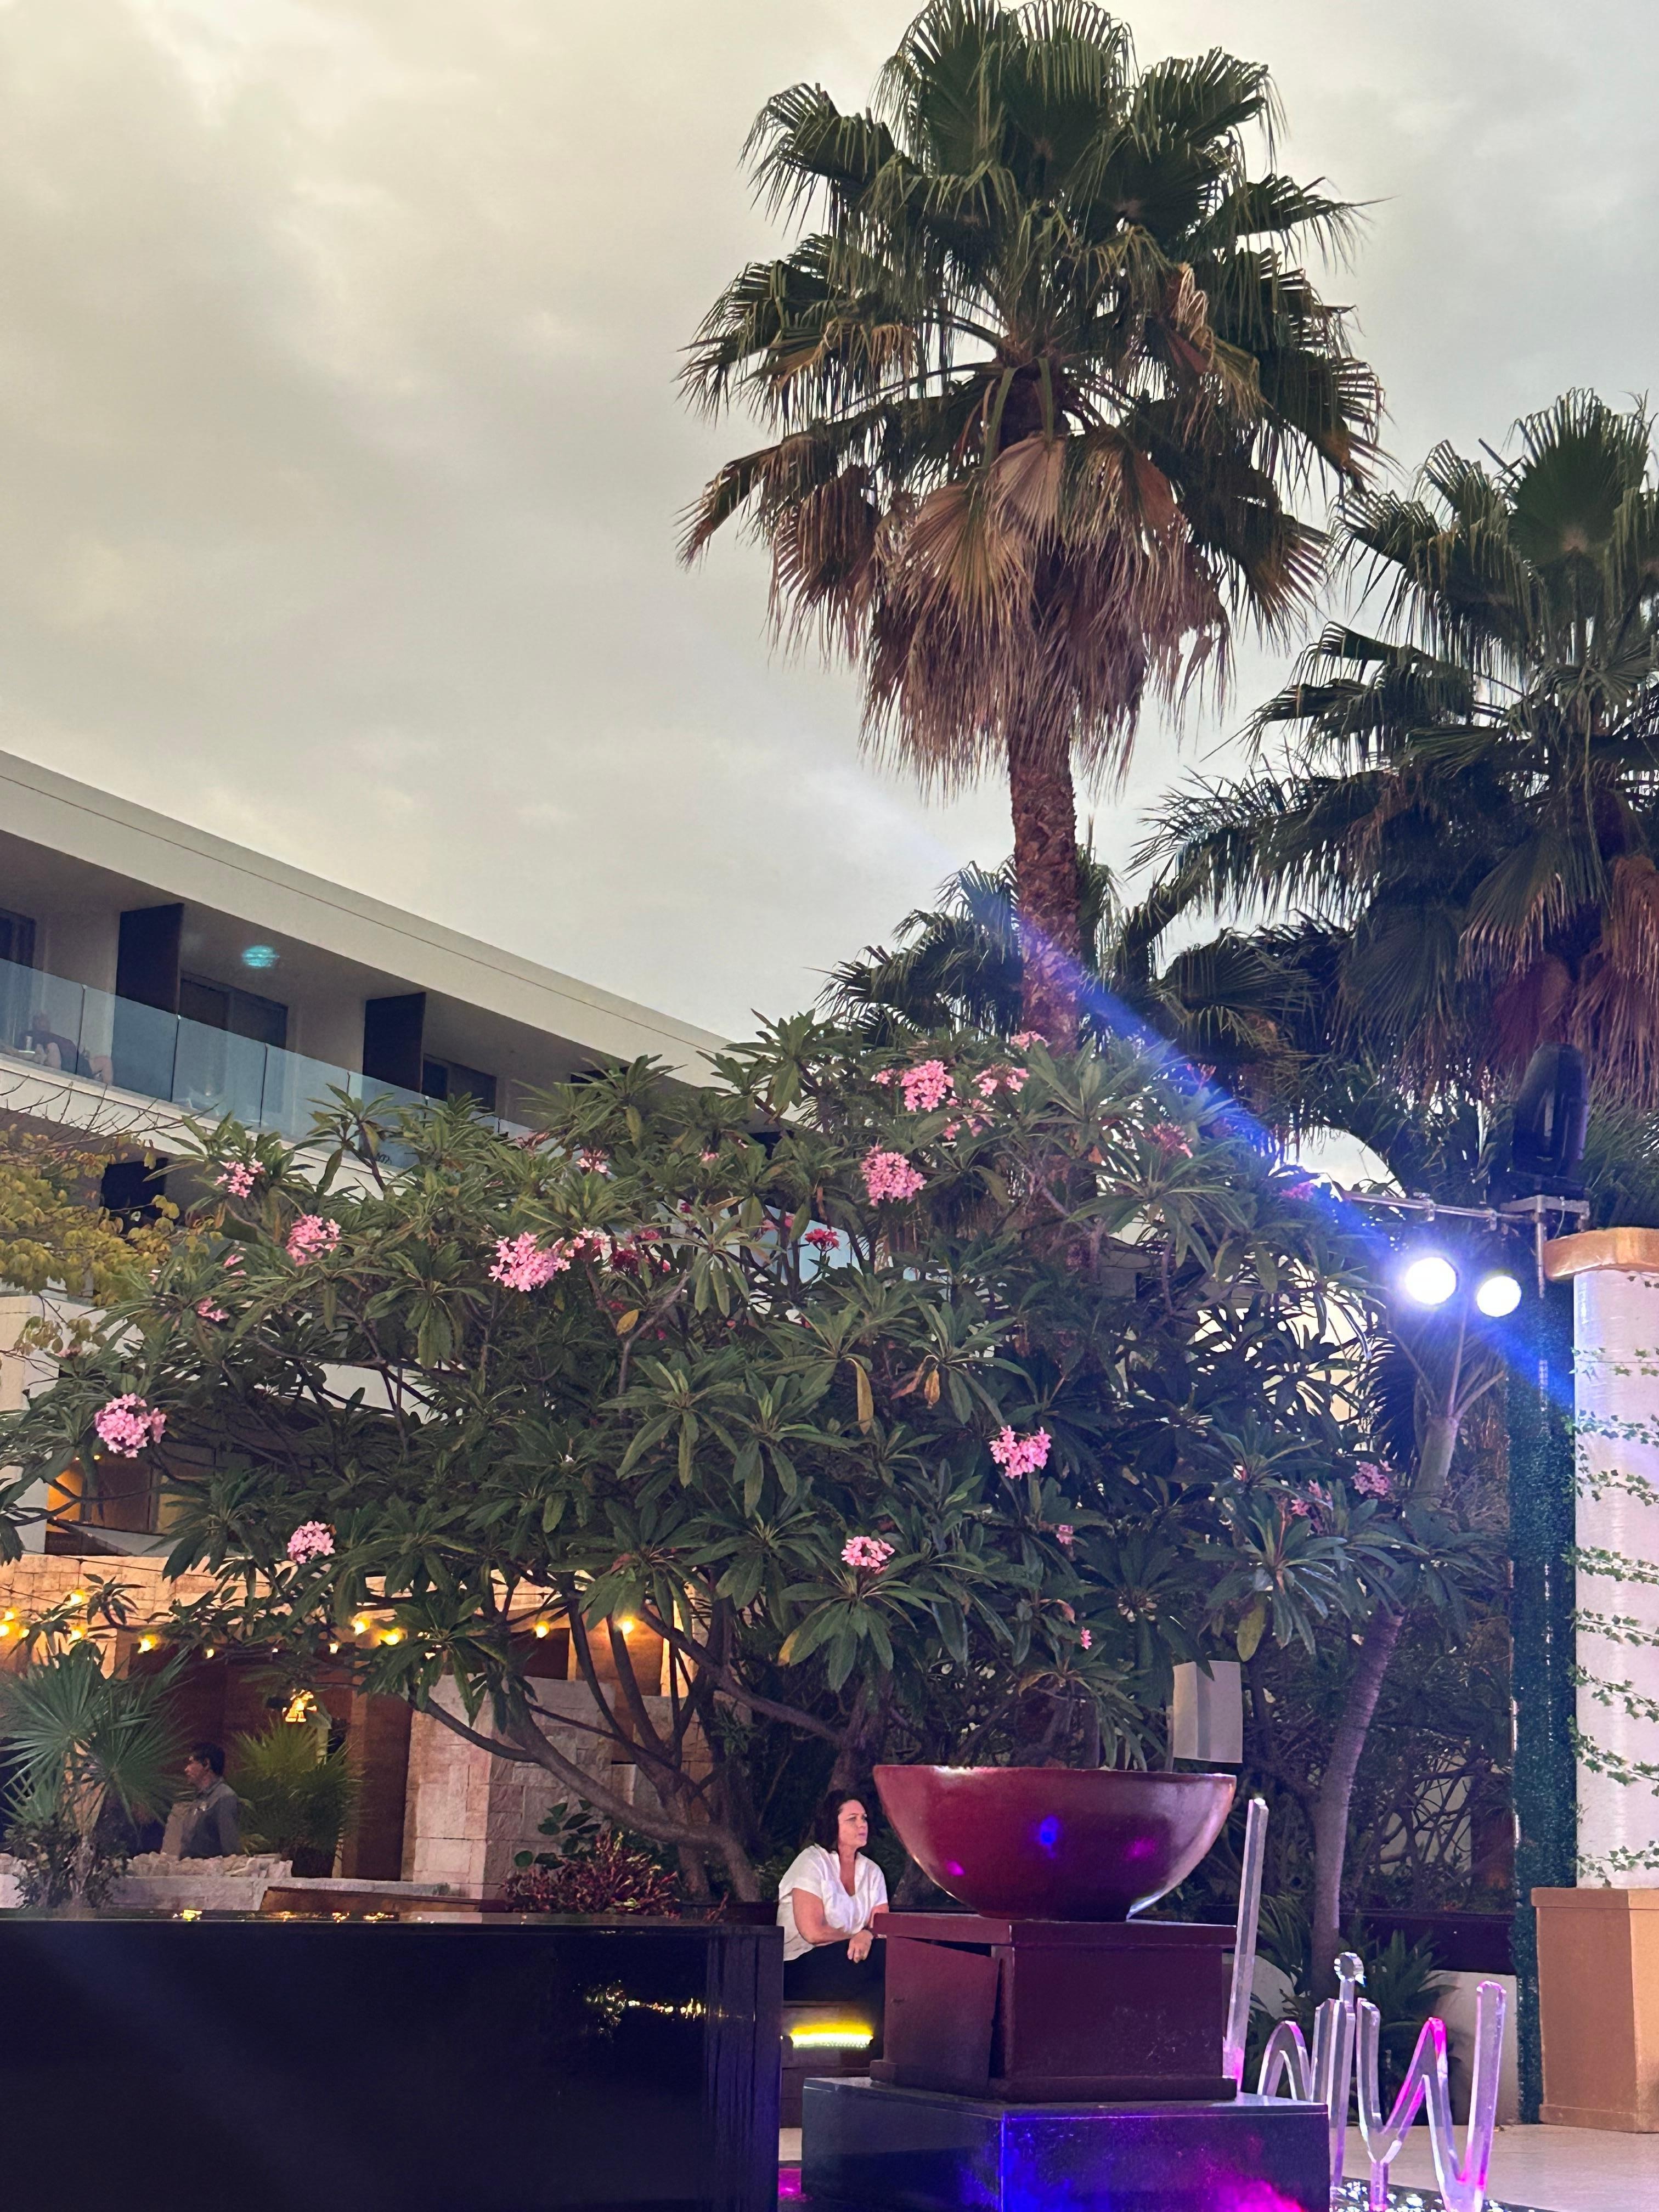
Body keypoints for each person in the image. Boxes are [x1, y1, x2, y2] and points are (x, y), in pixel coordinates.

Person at [776, 1790, 888, 2038]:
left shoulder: (872, 1872)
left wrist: (867, 1935)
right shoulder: (812, 1862)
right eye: (852, 1819)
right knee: (885, 1958)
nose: (862, 1825)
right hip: (801, 1966)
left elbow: (881, 1926)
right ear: (832, 1824)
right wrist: (857, 1937)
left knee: (885, 1980)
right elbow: (813, 1933)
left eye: (864, 1818)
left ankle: (874, 2052)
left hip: (851, 1962)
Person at [170, 1742, 240, 1859]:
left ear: (206, 1764)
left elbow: (230, 1848)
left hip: (210, 1868)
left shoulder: (224, 1797)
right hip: (190, 1867)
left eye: (191, 1763)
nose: (186, 1769)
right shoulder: (199, 1798)